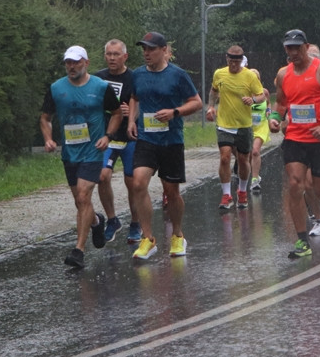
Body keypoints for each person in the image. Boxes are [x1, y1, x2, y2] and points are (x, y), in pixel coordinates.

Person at [269, 29, 320, 259]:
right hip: (295, 137)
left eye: (297, 47)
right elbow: (280, 103)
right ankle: (302, 241)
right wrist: (275, 119)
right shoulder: (283, 75)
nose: (293, 52)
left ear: (306, 47)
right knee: (296, 184)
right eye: (289, 48)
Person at [39, 45, 121, 268]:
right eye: (68, 62)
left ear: (86, 62)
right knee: (80, 201)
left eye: (75, 62)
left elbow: (116, 113)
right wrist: (48, 138)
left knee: (84, 196)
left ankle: (78, 251)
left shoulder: (102, 87)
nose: (71, 66)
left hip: (93, 150)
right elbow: (45, 117)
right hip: (70, 152)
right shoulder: (56, 88)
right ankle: (96, 221)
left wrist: (108, 136)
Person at [126, 32, 203, 260]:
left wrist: (174, 112)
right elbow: (134, 98)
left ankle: (177, 235)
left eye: (151, 49)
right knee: (138, 182)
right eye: (144, 49)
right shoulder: (138, 74)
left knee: (171, 192)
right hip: (146, 139)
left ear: (163, 50)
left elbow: (196, 102)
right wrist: (131, 120)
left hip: (171, 140)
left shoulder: (177, 75)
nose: (146, 53)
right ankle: (148, 239)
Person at [94, 39, 142, 245]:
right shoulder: (98, 78)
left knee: (132, 183)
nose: (112, 58)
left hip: (130, 137)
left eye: (116, 54)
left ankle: (136, 223)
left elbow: (139, 102)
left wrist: (130, 114)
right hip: (108, 136)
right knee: (102, 176)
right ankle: (112, 220)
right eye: (109, 54)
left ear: (125, 56)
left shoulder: (134, 78)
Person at [206, 45, 265, 210]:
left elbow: (261, 96)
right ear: (227, 59)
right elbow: (213, 91)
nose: (233, 65)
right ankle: (226, 195)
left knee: (242, 160)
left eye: (237, 62)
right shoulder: (219, 73)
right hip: (224, 123)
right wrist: (211, 106)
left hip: (243, 125)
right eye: (231, 61)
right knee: (224, 157)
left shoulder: (249, 76)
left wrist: (253, 100)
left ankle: (242, 191)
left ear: (241, 62)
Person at [248, 68, 271, 193]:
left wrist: (269, 112)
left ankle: (255, 180)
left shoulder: (264, 92)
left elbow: (268, 104)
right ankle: (249, 174)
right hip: (247, 127)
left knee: (255, 151)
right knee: (247, 155)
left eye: (255, 78)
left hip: (261, 126)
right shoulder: (244, 93)